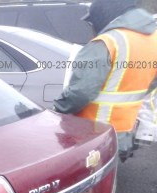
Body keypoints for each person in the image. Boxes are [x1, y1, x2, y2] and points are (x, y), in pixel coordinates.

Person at [54, 0, 157, 161]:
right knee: (108, 176)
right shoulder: (153, 39)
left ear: (104, 15)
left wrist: (57, 110)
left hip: (94, 132)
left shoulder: (107, 42)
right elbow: (151, 83)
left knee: (90, 180)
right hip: (126, 128)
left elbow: (81, 92)